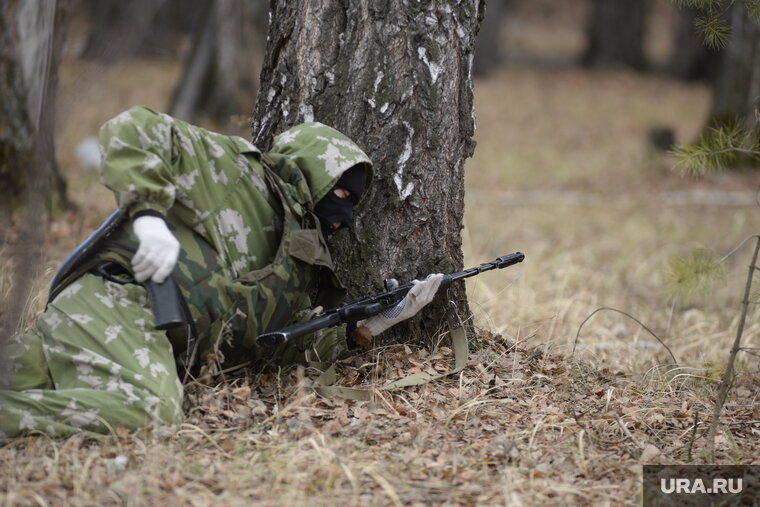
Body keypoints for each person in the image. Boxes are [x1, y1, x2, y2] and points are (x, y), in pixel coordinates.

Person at [0, 106, 442, 439]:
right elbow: (133, 128)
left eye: (352, 201)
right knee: (149, 411)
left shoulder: (300, 264)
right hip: (117, 303)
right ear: (314, 172)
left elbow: (279, 344)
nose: (343, 212)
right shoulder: (236, 172)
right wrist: (148, 215)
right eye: (340, 191)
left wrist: (371, 325)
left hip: (131, 335)